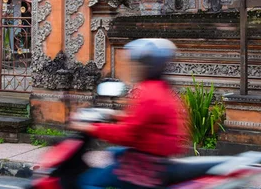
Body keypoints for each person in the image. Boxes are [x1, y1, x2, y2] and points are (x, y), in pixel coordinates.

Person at [70, 38, 189, 188]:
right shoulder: (162, 89)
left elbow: (127, 134)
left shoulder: (150, 94)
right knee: (114, 153)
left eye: (140, 64)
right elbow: (143, 122)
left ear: (149, 66)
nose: (137, 68)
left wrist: (90, 128)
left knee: (88, 182)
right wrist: (112, 114)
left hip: (146, 165)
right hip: (154, 156)